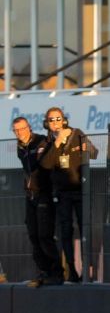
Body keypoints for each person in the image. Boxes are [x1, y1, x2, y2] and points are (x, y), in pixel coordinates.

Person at [39, 107, 95, 283]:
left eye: (58, 119)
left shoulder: (77, 133)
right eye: (51, 120)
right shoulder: (46, 142)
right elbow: (46, 165)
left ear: (64, 120)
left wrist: (88, 148)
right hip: (62, 194)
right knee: (65, 231)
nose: (55, 122)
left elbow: (94, 153)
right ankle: (71, 270)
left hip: (80, 190)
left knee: (85, 228)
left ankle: (88, 270)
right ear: (46, 123)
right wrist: (57, 143)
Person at [13, 117, 63, 287]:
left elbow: (43, 166)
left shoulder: (41, 141)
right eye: (16, 130)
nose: (19, 132)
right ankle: (44, 271)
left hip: (45, 194)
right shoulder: (20, 147)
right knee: (33, 235)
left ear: (29, 128)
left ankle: (57, 273)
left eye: (22, 128)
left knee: (44, 235)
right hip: (31, 196)